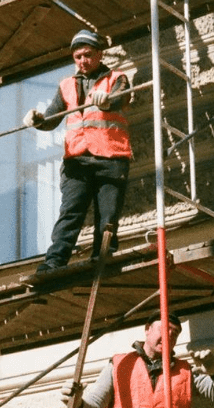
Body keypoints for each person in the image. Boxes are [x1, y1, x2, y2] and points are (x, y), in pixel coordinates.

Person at [23, 29, 132, 272]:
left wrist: (108, 99)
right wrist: (38, 119)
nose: (83, 61)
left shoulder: (117, 78)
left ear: (100, 54)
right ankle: (53, 262)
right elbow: (52, 117)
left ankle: (102, 258)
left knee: (108, 217)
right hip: (77, 159)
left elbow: (120, 97)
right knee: (70, 214)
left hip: (111, 157)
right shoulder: (66, 85)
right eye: (78, 56)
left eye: (88, 55)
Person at [62, 311, 214, 408]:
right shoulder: (119, 365)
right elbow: (95, 403)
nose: (169, 336)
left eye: (174, 334)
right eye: (164, 329)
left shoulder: (185, 371)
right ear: (147, 329)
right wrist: (78, 404)